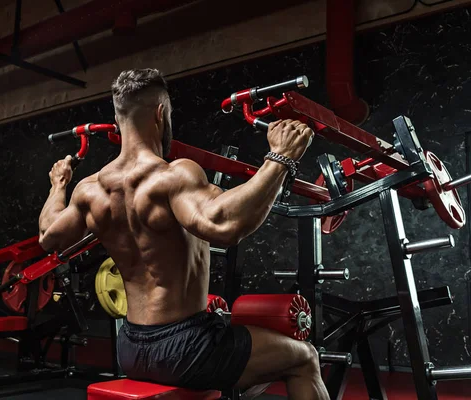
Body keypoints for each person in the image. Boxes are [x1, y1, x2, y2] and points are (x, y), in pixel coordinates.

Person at [39, 68, 329, 400]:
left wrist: (58, 185)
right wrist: (280, 158)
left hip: (130, 348)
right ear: (161, 113)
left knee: (247, 366)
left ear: (118, 121)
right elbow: (223, 226)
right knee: (305, 358)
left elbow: (49, 235)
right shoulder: (173, 175)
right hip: (186, 348)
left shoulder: (90, 190)